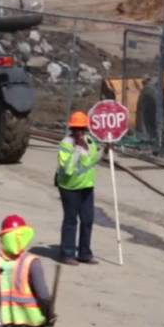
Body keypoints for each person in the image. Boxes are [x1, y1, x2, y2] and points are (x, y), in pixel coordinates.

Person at [56, 111, 106, 265]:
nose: (80, 132)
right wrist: (77, 149)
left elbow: (91, 161)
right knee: (71, 220)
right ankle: (67, 254)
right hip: (69, 187)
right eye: (77, 129)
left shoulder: (89, 141)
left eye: (82, 129)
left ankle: (84, 253)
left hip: (86, 186)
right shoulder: (65, 144)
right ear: (72, 129)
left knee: (87, 220)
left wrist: (103, 151)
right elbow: (68, 168)